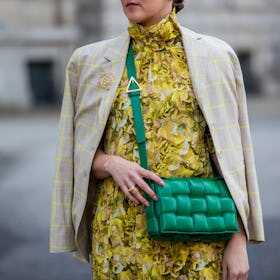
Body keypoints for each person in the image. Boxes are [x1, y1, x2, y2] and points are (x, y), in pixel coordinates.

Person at [50, 0, 265, 279]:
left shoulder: (216, 56)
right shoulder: (87, 61)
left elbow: (233, 158)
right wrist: (111, 163)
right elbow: (74, 151)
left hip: (198, 235)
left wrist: (238, 240)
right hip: (120, 238)